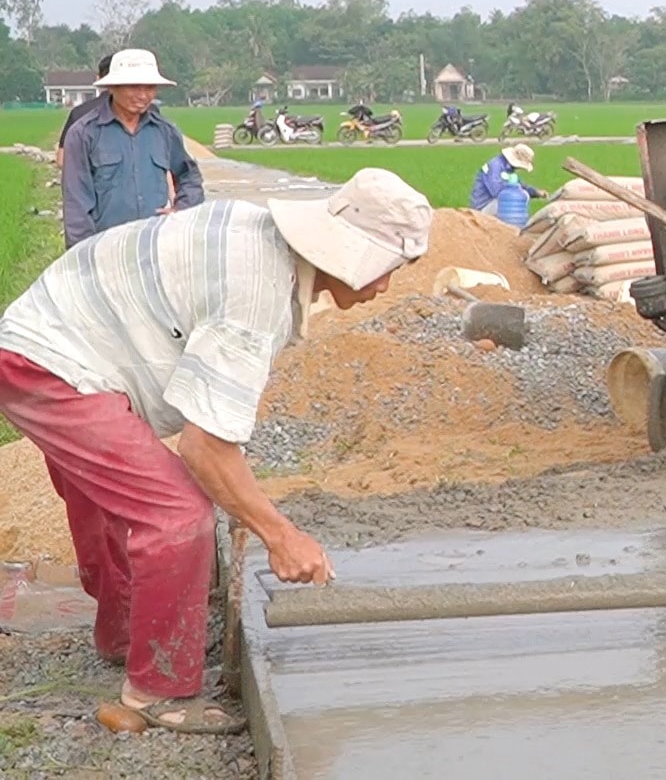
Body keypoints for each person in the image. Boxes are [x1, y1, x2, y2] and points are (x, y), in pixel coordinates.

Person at [0, 168, 433, 734]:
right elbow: (204, 449)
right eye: (387, 271)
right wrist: (281, 535)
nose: (384, 288)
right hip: (52, 363)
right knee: (176, 513)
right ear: (352, 254)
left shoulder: (258, 238)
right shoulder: (258, 294)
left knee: (109, 496)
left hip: (43, 341)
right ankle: (154, 691)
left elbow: (208, 433)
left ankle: (123, 633)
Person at [60, 48, 205, 249]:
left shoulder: (164, 131)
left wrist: (182, 209)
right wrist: (83, 256)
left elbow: (189, 176)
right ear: (112, 87)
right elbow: (76, 205)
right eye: (134, 87)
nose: (143, 95)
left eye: (150, 88)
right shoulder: (83, 134)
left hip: (155, 246)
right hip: (105, 248)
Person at [469, 142, 546, 211]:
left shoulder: (509, 170)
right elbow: (496, 191)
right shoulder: (496, 166)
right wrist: (520, 194)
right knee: (512, 204)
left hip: (494, 203)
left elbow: (520, 185)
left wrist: (536, 192)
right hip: (483, 206)